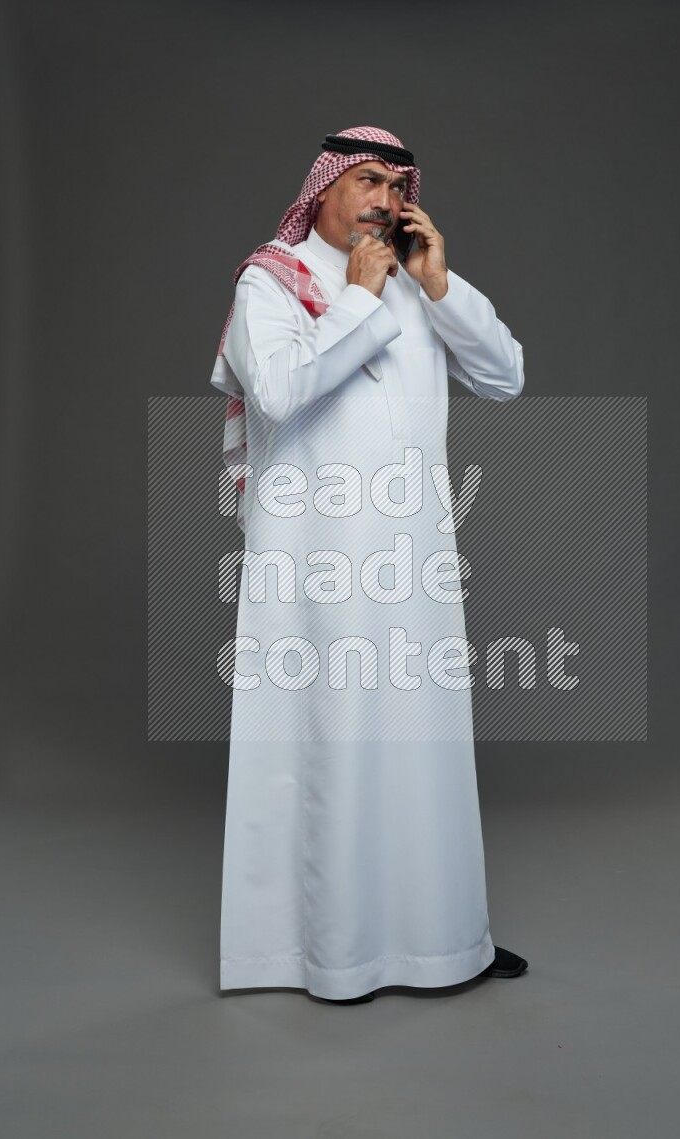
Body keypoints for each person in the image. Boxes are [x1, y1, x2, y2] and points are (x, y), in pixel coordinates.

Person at [209, 126, 528, 1003]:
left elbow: (506, 378)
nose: (385, 200)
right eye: (368, 180)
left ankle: (444, 943)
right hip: (316, 564)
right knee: (334, 743)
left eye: (397, 184)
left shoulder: (415, 282)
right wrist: (357, 299)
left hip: (413, 562)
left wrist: (440, 287)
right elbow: (277, 388)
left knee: (424, 748)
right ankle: (326, 957)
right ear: (322, 190)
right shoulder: (269, 281)